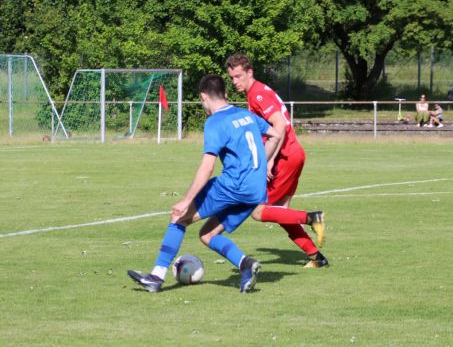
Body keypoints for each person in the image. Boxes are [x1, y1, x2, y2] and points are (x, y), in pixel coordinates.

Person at [128, 74, 282, 293]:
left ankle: (156, 277)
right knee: (207, 235)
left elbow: (207, 167)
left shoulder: (215, 122)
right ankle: (246, 264)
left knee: (178, 217)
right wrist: (262, 165)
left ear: (203, 97)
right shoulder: (245, 115)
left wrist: (186, 200)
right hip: (256, 190)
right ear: (225, 94)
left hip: (233, 186)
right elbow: (276, 134)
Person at [225, 53, 328, 268]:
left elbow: (279, 126)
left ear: (249, 72)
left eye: (237, 76)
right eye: (232, 77)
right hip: (294, 154)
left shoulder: (258, 95)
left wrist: (269, 160)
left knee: (257, 211)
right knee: (282, 213)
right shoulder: (257, 92)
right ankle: (316, 257)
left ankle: (312, 218)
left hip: (286, 157)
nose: (234, 81)